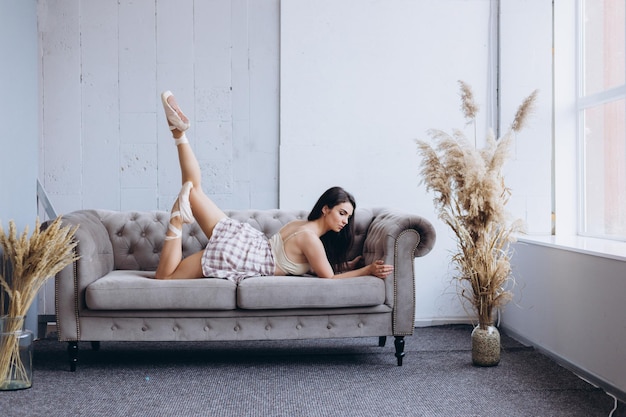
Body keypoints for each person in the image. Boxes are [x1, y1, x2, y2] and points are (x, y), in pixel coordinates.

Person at [154, 90, 394, 282]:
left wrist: (346, 266)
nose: (345, 221)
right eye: (342, 213)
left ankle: (179, 134)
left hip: (246, 240)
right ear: (326, 208)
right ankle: (176, 219)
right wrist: (367, 270)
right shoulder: (311, 240)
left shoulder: (300, 225)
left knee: (194, 188)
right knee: (165, 277)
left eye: (348, 217)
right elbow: (328, 277)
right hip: (242, 257)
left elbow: (315, 264)